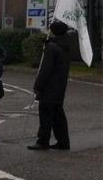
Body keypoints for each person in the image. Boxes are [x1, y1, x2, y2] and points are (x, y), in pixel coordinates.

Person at [28, 21, 72, 150]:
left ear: (53, 31)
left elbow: (45, 69)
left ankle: (43, 141)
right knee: (58, 114)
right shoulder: (65, 46)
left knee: (45, 114)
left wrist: (38, 85)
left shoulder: (52, 47)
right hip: (60, 86)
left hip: (49, 87)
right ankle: (63, 141)